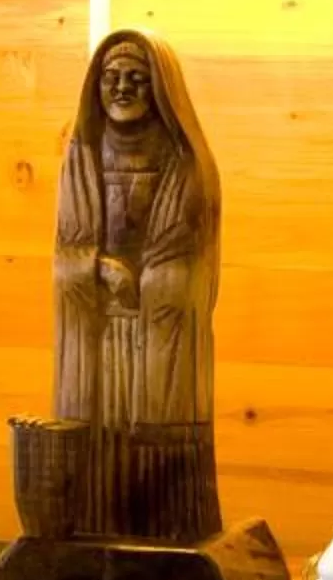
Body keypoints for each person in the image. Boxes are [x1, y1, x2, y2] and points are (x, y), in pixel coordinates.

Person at [52, 30, 219, 428]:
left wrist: (152, 284)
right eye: (112, 77)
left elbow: (185, 254)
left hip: (156, 315)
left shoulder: (183, 160)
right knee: (95, 439)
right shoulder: (83, 156)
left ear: (159, 86)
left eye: (137, 78)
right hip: (97, 314)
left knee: (148, 439)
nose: (122, 88)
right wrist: (98, 269)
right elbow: (66, 250)